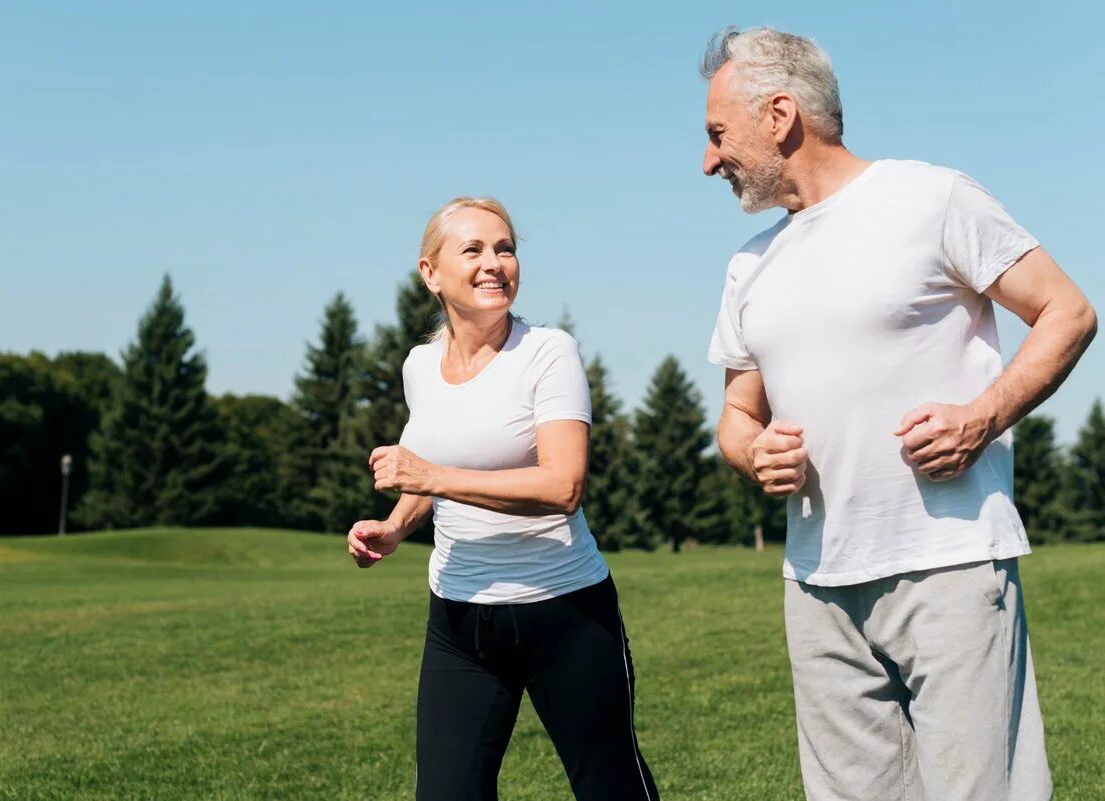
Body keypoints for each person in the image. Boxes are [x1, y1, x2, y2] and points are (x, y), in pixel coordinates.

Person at [700, 26, 1096, 801]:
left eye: (718, 135)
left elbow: (1067, 311)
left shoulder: (931, 198)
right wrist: (752, 452)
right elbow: (734, 415)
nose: (709, 160)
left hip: (947, 565)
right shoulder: (749, 262)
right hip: (816, 584)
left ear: (780, 115)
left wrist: (980, 417)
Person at [345, 196, 660, 801]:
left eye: (506, 248)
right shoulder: (419, 367)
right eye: (474, 249)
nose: (495, 263)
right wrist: (396, 525)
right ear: (431, 273)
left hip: (565, 613)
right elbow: (430, 457)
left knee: (610, 787)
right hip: (460, 619)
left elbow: (562, 487)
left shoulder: (547, 352)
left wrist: (433, 478)